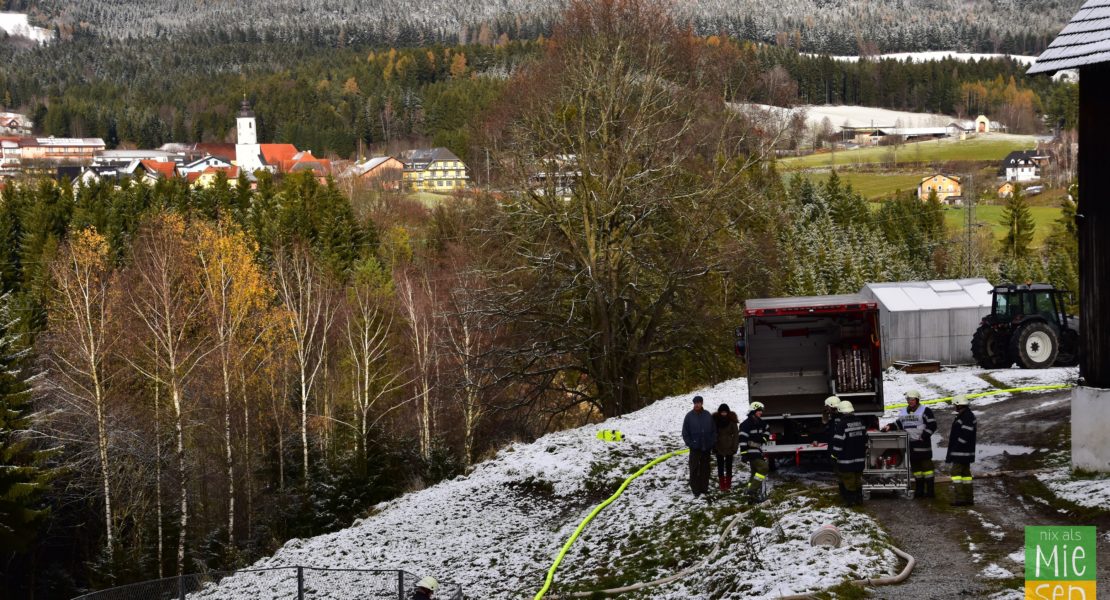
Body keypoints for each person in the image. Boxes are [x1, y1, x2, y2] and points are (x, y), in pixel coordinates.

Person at [883, 389, 937, 498]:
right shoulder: (904, 412)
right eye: (909, 399)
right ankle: (919, 491)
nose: (910, 401)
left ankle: (930, 492)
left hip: (922, 445)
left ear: (917, 400)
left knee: (927, 470)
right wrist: (889, 426)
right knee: (916, 470)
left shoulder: (925, 410)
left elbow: (932, 425)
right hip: (911, 445)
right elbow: (899, 424)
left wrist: (924, 436)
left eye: (912, 399)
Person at [830, 400, 868, 506]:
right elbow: (865, 439)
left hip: (846, 461)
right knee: (857, 480)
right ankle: (859, 500)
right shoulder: (861, 421)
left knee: (848, 481)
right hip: (860, 459)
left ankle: (850, 502)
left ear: (841, 411)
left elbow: (838, 443)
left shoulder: (841, 425)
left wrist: (834, 456)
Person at [682, 395, 716, 499]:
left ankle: (704, 488)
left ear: (702, 403)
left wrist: (711, 442)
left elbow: (714, 431)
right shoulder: (689, 416)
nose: (697, 404)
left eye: (699, 402)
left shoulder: (707, 415)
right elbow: (685, 433)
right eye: (695, 403)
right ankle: (695, 490)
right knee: (694, 469)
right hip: (695, 448)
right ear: (693, 404)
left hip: (706, 447)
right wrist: (690, 444)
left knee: (705, 469)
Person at [946, 395, 977, 506]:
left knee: (955, 474)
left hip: (961, 452)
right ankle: (969, 498)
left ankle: (961, 499)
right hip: (965, 452)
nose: (954, 407)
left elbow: (965, 434)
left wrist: (957, 446)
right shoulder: (965, 415)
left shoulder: (966, 416)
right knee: (965, 475)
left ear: (959, 405)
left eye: (955, 405)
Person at [739, 401, 770, 503]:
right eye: (759, 411)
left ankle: (750, 494)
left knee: (754, 473)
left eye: (761, 411)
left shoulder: (760, 422)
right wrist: (744, 454)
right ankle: (752, 491)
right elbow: (742, 440)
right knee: (764, 467)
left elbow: (767, 429)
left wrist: (763, 438)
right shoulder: (745, 424)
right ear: (753, 411)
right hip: (750, 451)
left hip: (758, 450)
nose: (761, 413)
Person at [713, 403, 740, 492]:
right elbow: (712, 434)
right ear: (720, 412)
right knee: (720, 467)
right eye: (722, 412)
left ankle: (728, 484)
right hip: (719, 446)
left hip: (729, 447)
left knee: (729, 466)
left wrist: (735, 448)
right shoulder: (715, 421)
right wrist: (714, 446)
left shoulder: (732, 421)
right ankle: (722, 485)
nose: (723, 414)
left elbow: (736, 435)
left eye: (725, 412)